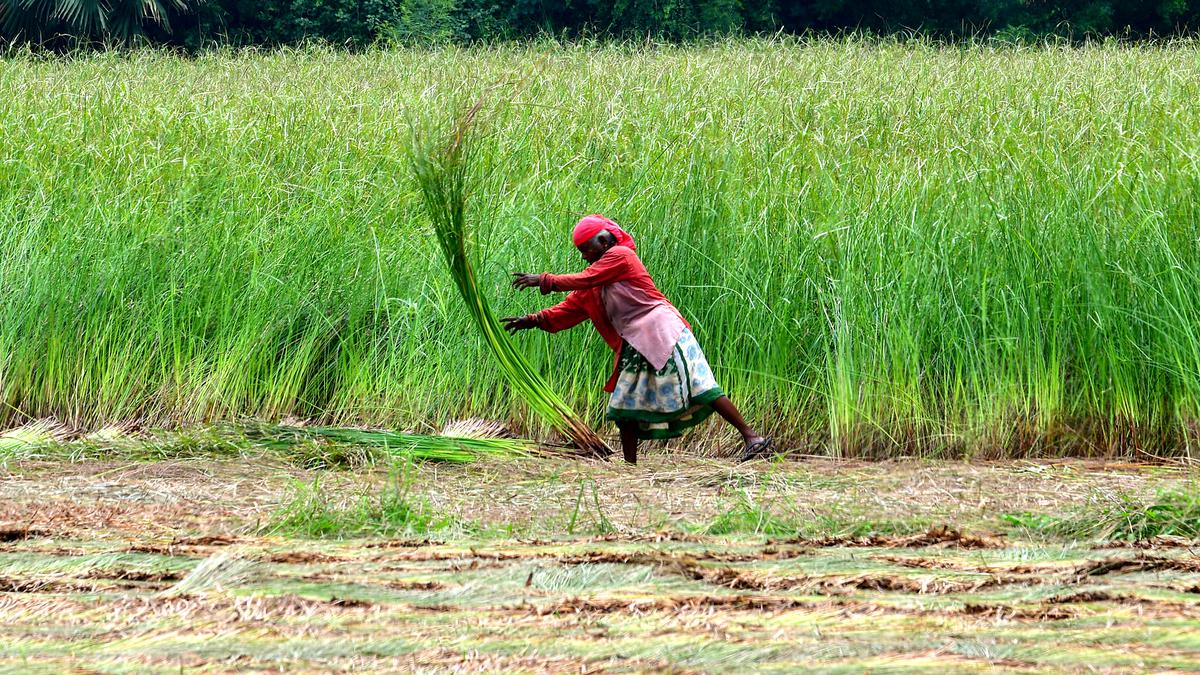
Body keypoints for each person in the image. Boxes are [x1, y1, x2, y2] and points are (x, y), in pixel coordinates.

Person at [502, 214, 773, 464]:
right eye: (581, 252)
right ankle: (630, 467)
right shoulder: (592, 285)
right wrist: (532, 320)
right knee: (624, 403)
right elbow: (568, 308)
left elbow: (586, 278)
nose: (585, 257)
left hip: (663, 332)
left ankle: (752, 438)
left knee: (701, 386)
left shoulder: (621, 256)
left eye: (588, 248)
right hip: (636, 344)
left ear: (605, 240)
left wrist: (545, 280)